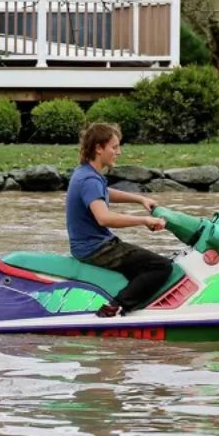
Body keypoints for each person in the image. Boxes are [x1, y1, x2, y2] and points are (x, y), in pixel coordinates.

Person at [66, 122, 172, 318]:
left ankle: (138, 303)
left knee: (143, 264)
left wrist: (140, 198)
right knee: (162, 266)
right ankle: (114, 308)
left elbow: (104, 192)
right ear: (99, 148)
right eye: (114, 147)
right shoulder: (90, 179)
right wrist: (144, 221)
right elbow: (104, 218)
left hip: (88, 245)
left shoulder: (85, 173)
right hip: (96, 249)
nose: (119, 152)